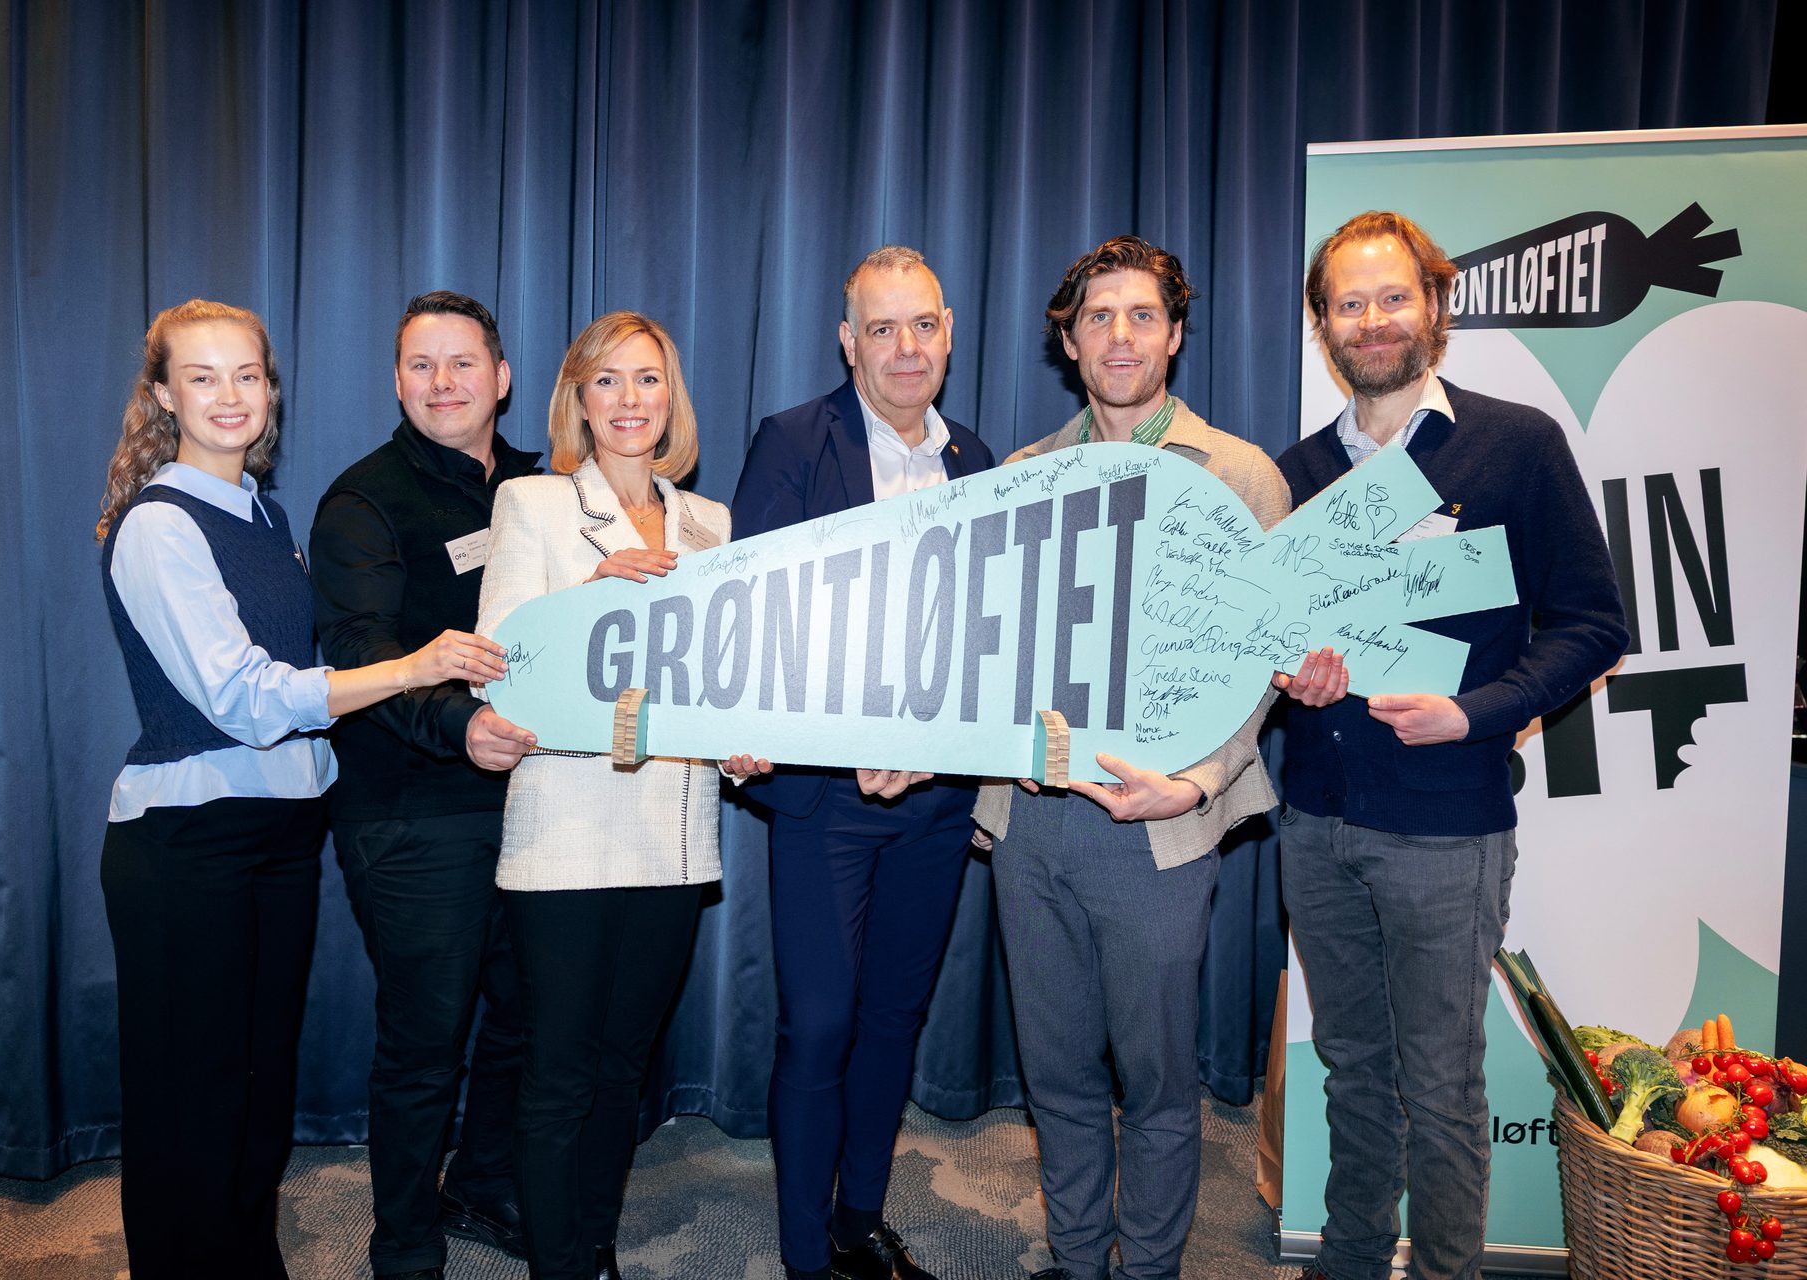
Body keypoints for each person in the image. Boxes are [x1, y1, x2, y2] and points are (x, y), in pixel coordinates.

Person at [95, 299, 508, 1279]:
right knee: (188, 1096)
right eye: (203, 377)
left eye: (247, 374)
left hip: (281, 833)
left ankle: (246, 1258)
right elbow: (245, 697)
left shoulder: (268, 515)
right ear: (162, 394)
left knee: (257, 1084)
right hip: (186, 840)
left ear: (271, 390)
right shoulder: (159, 523)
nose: (231, 396)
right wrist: (411, 670)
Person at [970, 236, 1342, 1280]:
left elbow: (1266, 662)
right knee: (1057, 1072)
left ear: (1175, 332)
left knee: (1159, 1079)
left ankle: (1149, 1271)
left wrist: (1198, 781)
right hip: (1031, 819)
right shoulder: (1021, 477)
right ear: (1069, 340)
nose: (1119, 335)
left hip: (1161, 827)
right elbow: (982, 651)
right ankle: (1080, 1258)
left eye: (1141, 315)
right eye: (1098, 317)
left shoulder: (1243, 476)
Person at [1278, 211, 1628, 1280]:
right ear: (1322, 322)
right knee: (1349, 1071)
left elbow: (1595, 624)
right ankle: (1347, 1258)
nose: (1373, 320)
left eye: (1393, 297)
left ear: (1434, 306)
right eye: (1350, 302)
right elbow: (1269, 635)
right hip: (1317, 819)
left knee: (1440, 1082)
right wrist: (1291, 669)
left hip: (1446, 825)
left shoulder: (1514, 442)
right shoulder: (1292, 472)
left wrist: (1478, 710)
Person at [476, 311, 771, 1280]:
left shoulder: (711, 523)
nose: (629, 401)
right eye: (607, 382)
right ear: (577, 399)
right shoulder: (532, 504)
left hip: (674, 842)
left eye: (647, 380)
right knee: (558, 1073)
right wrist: (597, 590)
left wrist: (740, 746)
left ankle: (591, 1247)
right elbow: (502, 666)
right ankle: (558, 1262)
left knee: (620, 1068)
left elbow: (718, 682)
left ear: (670, 398)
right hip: (563, 830)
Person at [730, 246, 996, 1280]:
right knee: (823, 1020)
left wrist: (944, 753)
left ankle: (857, 1219)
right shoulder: (793, 441)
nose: (902, 348)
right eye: (879, 329)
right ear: (848, 341)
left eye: (920, 325)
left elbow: (988, 637)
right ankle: (804, 1255)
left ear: (949, 331)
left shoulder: (977, 459)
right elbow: (755, 614)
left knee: (894, 1014)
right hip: (822, 798)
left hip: (934, 800)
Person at [308, 291, 541, 1280]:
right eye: (419, 365)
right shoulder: (363, 501)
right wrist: (461, 728)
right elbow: (362, 654)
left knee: (530, 1015)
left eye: (460, 363)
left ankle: (482, 1188)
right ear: (396, 381)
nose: (441, 383)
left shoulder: (546, 486)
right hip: (412, 809)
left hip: (539, 801)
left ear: (502, 377)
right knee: (426, 1037)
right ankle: (402, 1241)